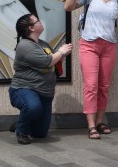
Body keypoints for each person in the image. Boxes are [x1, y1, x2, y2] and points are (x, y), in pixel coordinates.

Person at [63, 0, 118, 139]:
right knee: (91, 86)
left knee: (104, 86)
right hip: (89, 45)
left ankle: (100, 122)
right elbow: (68, 6)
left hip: (108, 46)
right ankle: (91, 125)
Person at [8, 14, 72, 144]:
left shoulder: (43, 44)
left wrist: (62, 54)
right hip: (24, 89)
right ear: (31, 28)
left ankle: (22, 122)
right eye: (37, 20)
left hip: (45, 93)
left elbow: (55, 59)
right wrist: (61, 52)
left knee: (40, 133)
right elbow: (47, 62)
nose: (40, 21)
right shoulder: (24, 46)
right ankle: (21, 132)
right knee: (33, 107)